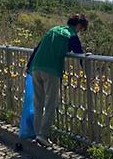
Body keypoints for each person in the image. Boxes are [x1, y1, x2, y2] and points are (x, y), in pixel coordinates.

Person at [26, 13, 88, 147]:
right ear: (78, 25)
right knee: (50, 103)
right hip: (51, 70)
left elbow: (37, 48)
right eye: (81, 29)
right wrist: (88, 73)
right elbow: (79, 54)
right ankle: (42, 136)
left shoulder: (52, 30)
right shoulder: (71, 35)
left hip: (36, 67)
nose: (80, 31)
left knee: (38, 103)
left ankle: (37, 134)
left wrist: (28, 66)